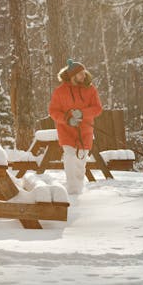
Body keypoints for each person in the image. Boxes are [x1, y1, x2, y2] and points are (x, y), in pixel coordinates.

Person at [49, 59, 103, 194]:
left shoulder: (90, 89)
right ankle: (72, 189)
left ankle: (78, 189)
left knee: (81, 161)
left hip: (85, 130)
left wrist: (82, 113)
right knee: (70, 157)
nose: (84, 76)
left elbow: (97, 108)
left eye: (84, 73)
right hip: (66, 130)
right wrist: (67, 119)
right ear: (73, 76)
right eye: (80, 74)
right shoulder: (59, 91)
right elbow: (53, 111)